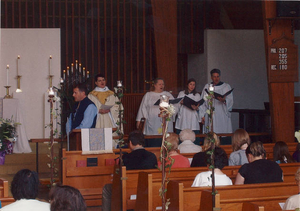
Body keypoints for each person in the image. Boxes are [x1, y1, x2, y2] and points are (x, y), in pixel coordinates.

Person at [102, 130, 157, 211]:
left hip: (128, 189)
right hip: (148, 189)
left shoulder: (125, 157)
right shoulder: (152, 156)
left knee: (107, 188)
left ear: (130, 143)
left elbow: (119, 177)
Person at [199, 69, 233, 134]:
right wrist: (202, 115)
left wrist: (224, 100)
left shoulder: (226, 86)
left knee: (223, 133)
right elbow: (203, 102)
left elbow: (230, 100)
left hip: (222, 114)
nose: (216, 78)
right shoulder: (207, 87)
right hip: (211, 114)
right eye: (214, 77)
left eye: (218, 76)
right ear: (211, 77)